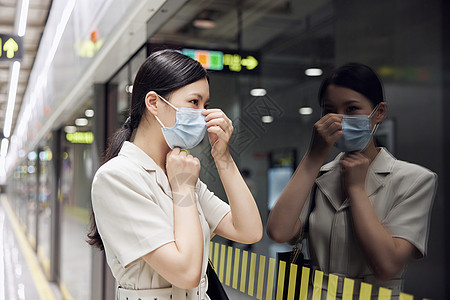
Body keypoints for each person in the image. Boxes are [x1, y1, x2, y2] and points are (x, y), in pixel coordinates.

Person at [88, 49, 262, 300]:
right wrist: (182, 189)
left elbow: (248, 230)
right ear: (154, 103)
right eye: (194, 102)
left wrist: (223, 157)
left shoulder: (180, 172)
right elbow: (186, 272)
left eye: (206, 105)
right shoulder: (117, 177)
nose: (204, 114)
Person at [266, 63, 437, 299]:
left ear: (379, 112)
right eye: (330, 110)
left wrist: (356, 190)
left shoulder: (414, 180)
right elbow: (278, 232)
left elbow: (387, 266)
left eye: (352, 108)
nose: (340, 120)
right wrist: (313, 157)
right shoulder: (318, 176)